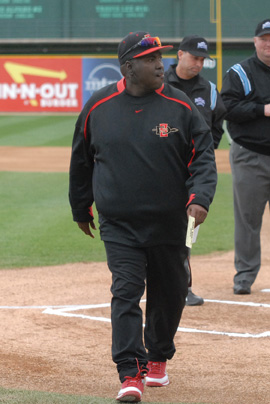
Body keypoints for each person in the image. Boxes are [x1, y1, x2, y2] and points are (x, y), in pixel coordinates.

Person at [69, 31, 217, 402]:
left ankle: (158, 357)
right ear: (128, 67)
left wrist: (200, 198)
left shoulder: (181, 106)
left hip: (170, 222)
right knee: (126, 291)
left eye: (160, 58)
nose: (160, 65)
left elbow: (203, 157)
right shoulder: (98, 107)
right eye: (151, 59)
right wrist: (80, 207)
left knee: (170, 292)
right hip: (119, 224)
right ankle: (129, 373)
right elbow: (81, 160)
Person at [165, 35, 226, 306]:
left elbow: (216, 126)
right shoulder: (159, 83)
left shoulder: (209, 90)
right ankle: (152, 281)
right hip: (161, 169)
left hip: (193, 174)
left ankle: (182, 287)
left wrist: (202, 153)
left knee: (188, 231)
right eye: (194, 57)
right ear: (180, 55)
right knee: (158, 228)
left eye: (202, 59)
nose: (198, 64)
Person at [221, 19, 270, 295]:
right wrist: (262, 110)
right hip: (251, 156)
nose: (269, 44)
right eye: (264, 38)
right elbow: (226, 106)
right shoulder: (240, 72)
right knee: (248, 219)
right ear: (255, 41)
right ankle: (245, 276)